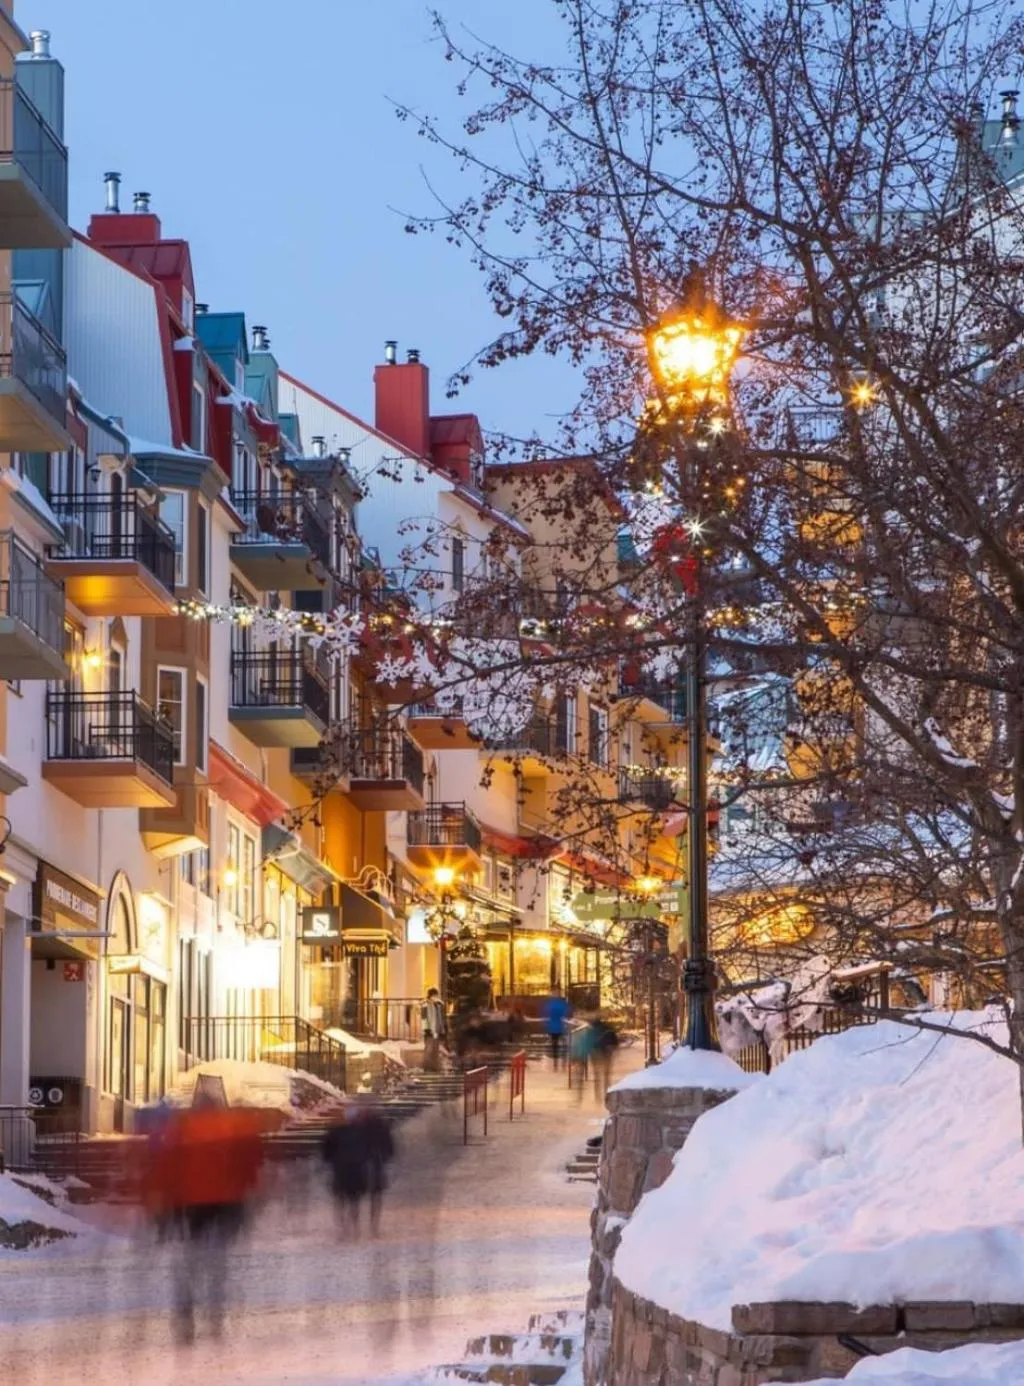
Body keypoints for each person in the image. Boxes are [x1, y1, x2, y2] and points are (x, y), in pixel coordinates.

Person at [587, 1014, 620, 1103]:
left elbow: (588, 1043)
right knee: (606, 1075)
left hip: (596, 1054)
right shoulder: (608, 1029)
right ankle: (607, 1094)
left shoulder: (591, 1030)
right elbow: (615, 1041)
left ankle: (597, 1096)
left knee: (597, 1075)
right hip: (607, 1054)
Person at [543, 989, 571, 1069]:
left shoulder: (550, 1005)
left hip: (553, 1027)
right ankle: (563, 1063)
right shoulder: (561, 1004)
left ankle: (556, 1065)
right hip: (561, 1027)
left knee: (555, 1046)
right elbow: (566, 1012)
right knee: (564, 1045)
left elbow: (546, 1013)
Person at [421, 987, 447, 1072]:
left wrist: (441, 1029)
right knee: (429, 1049)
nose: (436, 996)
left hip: (436, 1030)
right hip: (429, 1030)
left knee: (435, 1050)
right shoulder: (426, 1004)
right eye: (435, 994)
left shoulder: (438, 1005)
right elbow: (424, 1018)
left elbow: (440, 1019)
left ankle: (434, 1067)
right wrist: (427, 1029)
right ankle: (428, 1067)